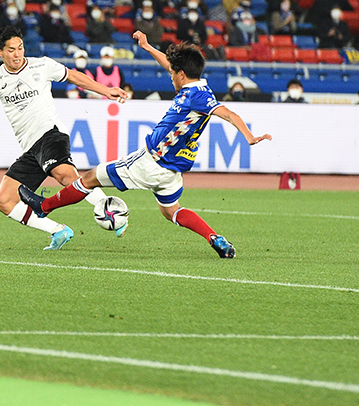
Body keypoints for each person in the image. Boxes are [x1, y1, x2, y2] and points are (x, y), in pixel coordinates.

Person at [19, 30, 273, 259]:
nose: (170, 76)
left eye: (173, 73)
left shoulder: (196, 97)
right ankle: (214, 238)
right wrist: (148, 47)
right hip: (171, 171)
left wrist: (249, 136)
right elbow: (171, 66)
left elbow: (229, 114)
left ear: (181, 75)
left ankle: (44, 207)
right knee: (171, 211)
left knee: (89, 178)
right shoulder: (198, 87)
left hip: (150, 162)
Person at [0, 26, 128, 250]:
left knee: (64, 175)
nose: (17, 54)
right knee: (4, 201)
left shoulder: (42, 65)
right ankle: (58, 230)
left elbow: (74, 76)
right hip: (31, 148)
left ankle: (111, 209)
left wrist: (106, 91)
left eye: (20, 48)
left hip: (51, 134)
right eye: (11, 50)